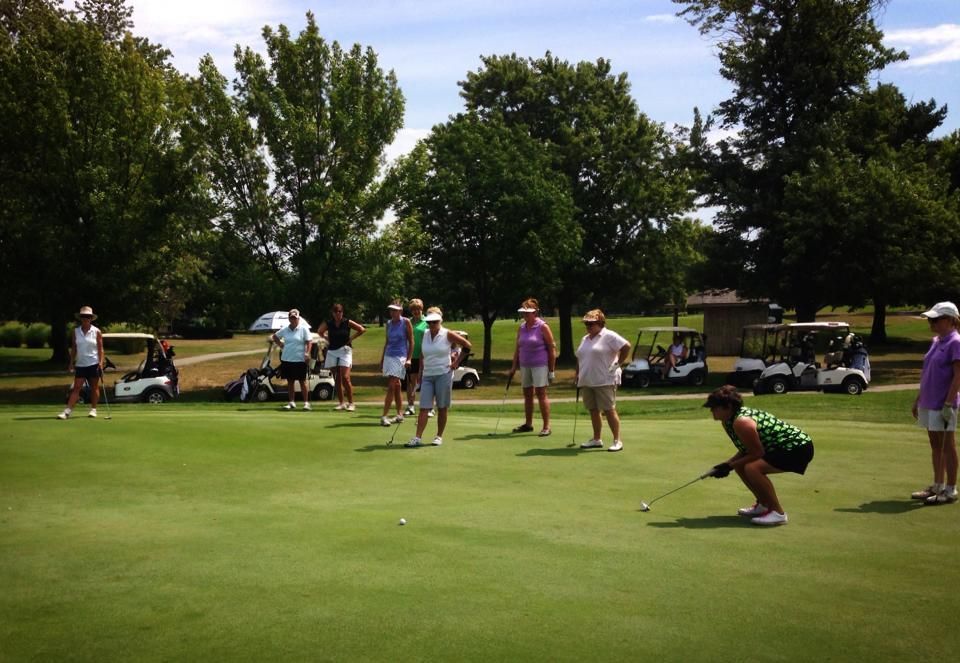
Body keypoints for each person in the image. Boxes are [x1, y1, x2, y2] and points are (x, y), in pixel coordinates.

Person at [704, 385, 815, 526]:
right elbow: (746, 449)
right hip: (778, 448)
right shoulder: (727, 422)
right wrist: (727, 464)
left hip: (797, 448)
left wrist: (729, 466)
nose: (711, 411)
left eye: (715, 407)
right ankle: (763, 504)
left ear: (728, 406)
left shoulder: (742, 422)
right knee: (741, 466)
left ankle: (778, 513)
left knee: (752, 468)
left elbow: (757, 453)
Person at [911, 301, 960, 505]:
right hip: (929, 401)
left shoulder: (955, 342)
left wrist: (948, 404)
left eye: (936, 319)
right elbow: (928, 374)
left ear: (949, 320)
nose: (931, 323)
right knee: (935, 444)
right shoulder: (936, 340)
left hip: (943, 403)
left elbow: (958, 376)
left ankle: (950, 489)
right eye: (930, 319)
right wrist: (918, 399)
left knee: (947, 445)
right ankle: (937, 485)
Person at [406, 307, 472, 447]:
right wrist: (420, 373)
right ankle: (417, 437)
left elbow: (467, 345)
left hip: (443, 374)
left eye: (435, 322)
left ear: (440, 321)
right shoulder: (424, 334)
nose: (432, 325)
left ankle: (438, 436)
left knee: (442, 407)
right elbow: (423, 355)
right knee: (424, 407)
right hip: (428, 375)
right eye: (430, 322)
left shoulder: (447, 334)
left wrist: (456, 363)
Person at [574, 309, 631, 452]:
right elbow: (580, 357)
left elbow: (626, 346)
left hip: (604, 379)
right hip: (587, 380)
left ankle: (617, 440)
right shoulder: (585, 339)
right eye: (586, 324)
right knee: (593, 410)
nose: (588, 326)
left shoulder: (609, 335)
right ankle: (596, 439)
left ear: (600, 323)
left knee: (609, 410)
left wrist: (618, 364)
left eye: (591, 324)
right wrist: (578, 374)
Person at [508, 298, 556, 436]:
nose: (525, 315)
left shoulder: (543, 326)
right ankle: (528, 424)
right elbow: (518, 348)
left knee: (541, 393)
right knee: (527, 394)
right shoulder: (522, 327)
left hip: (540, 365)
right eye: (524, 313)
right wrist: (513, 366)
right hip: (525, 365)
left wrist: (551, 369)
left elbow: (552, 348)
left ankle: (546, 426)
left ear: (535, 313)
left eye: (528, 313)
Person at [317, 303, 366, 412]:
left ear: (342, 312)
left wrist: (351, 338)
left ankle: (351, 403)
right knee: (337, 378)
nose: (338, 314)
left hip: (345, 350)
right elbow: (320, 331)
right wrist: (327, 338)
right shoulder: (329, 323)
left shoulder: (346, 322)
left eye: (340, 312)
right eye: (336, 312)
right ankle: (341, 403)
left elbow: (361, 329)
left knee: (345, 377)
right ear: (333, 313)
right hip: (332, 351)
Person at [58, 306, 104, 419]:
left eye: (88, 317)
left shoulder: (97, 331)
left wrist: (101, 362)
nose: (85, 319)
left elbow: (100, 349)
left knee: (94, 387)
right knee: (77, 387)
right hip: (80, 364)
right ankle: (67, 411)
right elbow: (74, 348)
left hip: (93, 363)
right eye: (83, 316)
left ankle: (93, 409)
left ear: (91, 318)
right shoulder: (75, 331)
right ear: (80, 318)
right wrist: (71, 363)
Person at [270, 308, 313, 410]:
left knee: (302, 382)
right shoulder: (285, 329)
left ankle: (306, 403)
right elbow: (274, 336)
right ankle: (291, 402)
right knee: (290, 382)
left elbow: (309, 342)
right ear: (289, 318)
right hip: (287, 359)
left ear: (298, 318)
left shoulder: (303, 329)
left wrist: (307, 353)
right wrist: (280, 344)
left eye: (295, 318)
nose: (293, 320)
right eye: (291, 318)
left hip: (300, 359)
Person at [380, 300, 413, 426]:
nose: (392, 312)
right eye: (391, 310)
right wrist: (382, 358)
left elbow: (411, 341)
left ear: (400, 311)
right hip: (389, 355)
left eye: (395, 310)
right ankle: (399, 414)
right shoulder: (388, 323)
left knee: (391, 385)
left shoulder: (406, 322)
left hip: (401, 357)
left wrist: (409, 358)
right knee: (397, 385)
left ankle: (384, 416)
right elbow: (387, 342)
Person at [404, 298, 428, 416]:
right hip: (411, 355)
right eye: (413, 309)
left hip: (425, 356)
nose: (416, 311)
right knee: (411, 381)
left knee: (425, 382)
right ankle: (411, 405)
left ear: (421, 309)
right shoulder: (407, 322)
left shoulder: (427, 322)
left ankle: (428, 407)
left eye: (418, 309)